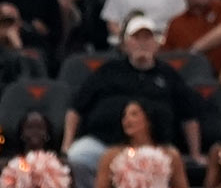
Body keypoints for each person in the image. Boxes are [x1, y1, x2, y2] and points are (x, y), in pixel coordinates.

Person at [64, 18, 203, 188]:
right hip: (103, 143)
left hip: (155, 146)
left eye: (147, 38)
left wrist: (195, 153)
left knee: (171, 158)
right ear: (125, 44)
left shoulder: (169, 76)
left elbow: (189, 116)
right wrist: (66, 144)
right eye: (136, 38)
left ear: (157, 43)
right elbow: (76, 107)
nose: (142, 43)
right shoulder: (108, 70)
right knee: (77, 156)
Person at [94, 101, 189, 188]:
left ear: (149, 119)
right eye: (124, 116)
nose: (127, 119)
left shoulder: (170, 155)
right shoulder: (111, 156)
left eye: (134, 114)